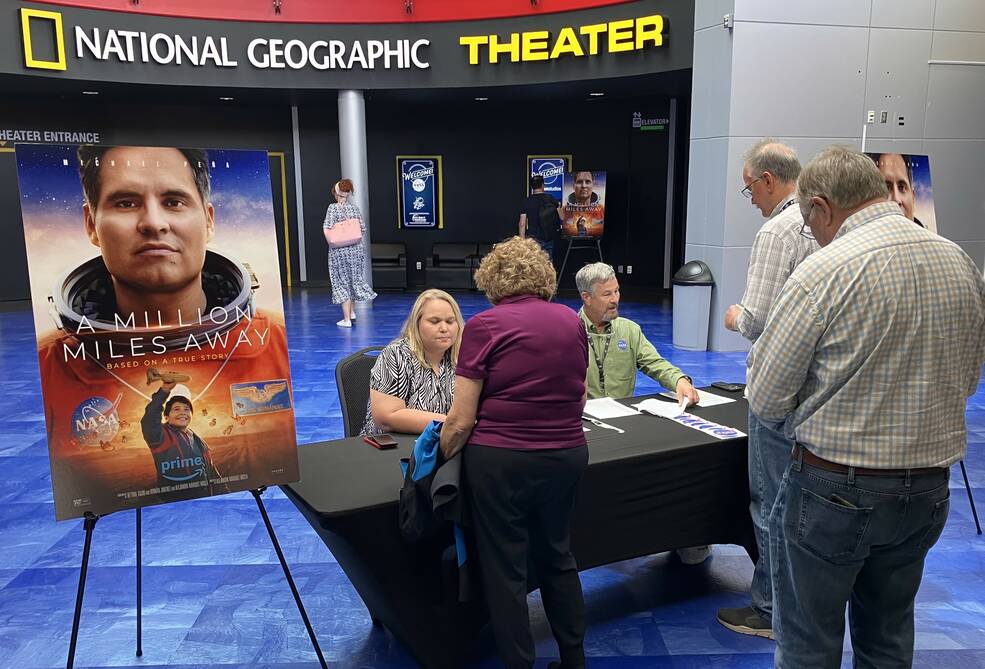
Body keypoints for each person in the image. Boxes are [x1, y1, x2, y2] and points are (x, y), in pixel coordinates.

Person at [748, 146, 985, 668]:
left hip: (834, 490)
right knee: (889, 636)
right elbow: (968, 380)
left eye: (812, 224)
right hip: (927, 491)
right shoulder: (960, 261)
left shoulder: (821, 272)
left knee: (808, 642)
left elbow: (765, 398)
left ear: (822, 206)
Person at [38, 145, 297, 519]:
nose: (154, 223)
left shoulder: (270, 339)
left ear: (208, 220)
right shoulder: (55, 361)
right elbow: (149, 423)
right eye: (126, 203)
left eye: (174, 201)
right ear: (91, 224)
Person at [440, 237, 589, 669]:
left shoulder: (485, 326)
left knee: (505, 569)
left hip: (501, 462)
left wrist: (442, 455)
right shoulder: (571, 321)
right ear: (542, 275)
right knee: (558, 557)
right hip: (566, 453)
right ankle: (575, 661)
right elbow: (578, 399)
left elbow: (461, 419)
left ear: (492, 279)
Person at [719, 139, 818, 639]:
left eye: (748, 188)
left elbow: (758, 319)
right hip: (820, 389)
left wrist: (735, 316)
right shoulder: (825, 225)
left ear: (766, 180)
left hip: (778, 387)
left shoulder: (777, 230)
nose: (750, 198)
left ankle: (769, 608)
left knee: (771, 499)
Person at [575, 262, 708, 564]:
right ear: (586, 297)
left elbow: (655, 363)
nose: (615, 299)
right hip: (582, 428)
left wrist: (680, 380)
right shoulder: (567, 330)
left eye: (617, 291)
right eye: (607, 294)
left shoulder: (629, 331)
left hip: (625, 426)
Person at [361, 289, 464, 436]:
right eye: (434, 322)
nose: (444, 328)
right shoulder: (396, 355)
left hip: (442, 443)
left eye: (450, 321)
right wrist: (452, 424)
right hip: (391, 447)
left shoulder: (461, 358)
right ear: (416, 324)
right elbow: (387, 417)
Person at [141, 377, 223, 494]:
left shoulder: (198, 440)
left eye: (187, 409)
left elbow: (212, 471)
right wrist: (164, 390)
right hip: (175, 502)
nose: (183, 412)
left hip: (204, 497)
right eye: (176, 409)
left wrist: (222, 490)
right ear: (166, 417)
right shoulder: (160, 436)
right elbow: (150, 418)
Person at [323, 178, 377, 327]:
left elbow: (327, 227)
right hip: (357, 249)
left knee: (342, 282)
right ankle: (352, 312)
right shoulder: (354, 208)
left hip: (339, 251)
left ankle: (346, 319)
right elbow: (363, 229)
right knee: (353, 279)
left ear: (336, 193)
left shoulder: (332, 208)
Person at [871, 152, 924, 227]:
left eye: (901, 187)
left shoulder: (933, 238)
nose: (896, 199)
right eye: (886, 188)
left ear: (913, 197)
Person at [518, 173, 561, 258]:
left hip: (533, 238)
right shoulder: (550, 198)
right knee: (548, 262)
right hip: (548, 237)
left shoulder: (527, 201)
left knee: (534, 263)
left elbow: (522, 223)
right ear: (542, 185)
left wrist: (521, 242)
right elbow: (561, 216)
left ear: (532, 186)